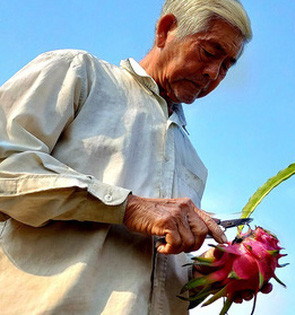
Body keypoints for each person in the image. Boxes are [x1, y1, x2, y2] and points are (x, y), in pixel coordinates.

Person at [0, 0, 252, 313]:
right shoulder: (80, 74)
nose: (213, 73)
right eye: (210, 52)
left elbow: (153, 275)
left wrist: (207, 276)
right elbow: (5, 168)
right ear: (165, 30)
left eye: (227, 65)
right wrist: (129, 207)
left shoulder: (193, 161)